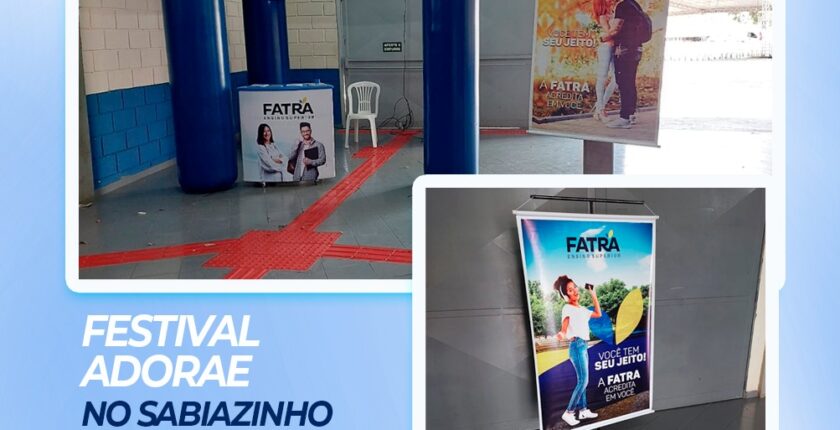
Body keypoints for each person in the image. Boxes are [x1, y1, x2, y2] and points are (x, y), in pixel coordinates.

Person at [554, 275, 602, 427]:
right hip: (576, 346)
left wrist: (593, 294)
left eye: (574, 287)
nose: (574, 290)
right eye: (570, 290)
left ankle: (583, 410)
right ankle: (568, 412)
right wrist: (561, 334)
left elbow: (598, 314)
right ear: (566, 295)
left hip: (584, 346)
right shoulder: (567, 308)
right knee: (583, 381)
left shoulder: (581, 309)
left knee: (583, 381)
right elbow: (564, 327)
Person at [600, 0, 645, 129]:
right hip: (637, 48)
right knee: (630, 82)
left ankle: (624, 118)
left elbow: (616, 29)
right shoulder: (634, 4)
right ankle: (631, 115)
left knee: (624, 83)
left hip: (624, 49)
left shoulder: (622, 5)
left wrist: (601, 38)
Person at [592, 0, 619, 123]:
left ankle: (599, 107)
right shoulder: (603, 16)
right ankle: (601, 110)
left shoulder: (613, 13)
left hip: (614, 47)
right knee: (602, 77)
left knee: (616, 79)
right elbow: (610, 32)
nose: (610, 1)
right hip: (606, 47)